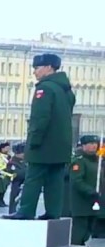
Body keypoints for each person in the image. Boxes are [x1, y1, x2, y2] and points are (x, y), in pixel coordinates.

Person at [9, 53, 76, 219]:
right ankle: (53, 212)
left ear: (48, 68)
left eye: (37, 68)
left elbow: (40, 118)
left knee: (34, 178)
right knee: (55, 180)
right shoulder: (65, 89)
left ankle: (25, 211)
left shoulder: (44, 88)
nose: (34, 72)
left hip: (44, 143)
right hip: (61, 145)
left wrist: (33, 142)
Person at [67, 134, 102, 245]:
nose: (94, 146)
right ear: (83, 146)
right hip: (82, 202)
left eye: (95, 144)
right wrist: (90, 191)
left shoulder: (98, 161)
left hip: (95, 201)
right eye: (90, 144)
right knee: (79, 230)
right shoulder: (79, 161)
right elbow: (77, 181)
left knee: (89, 229)